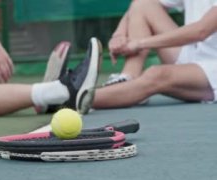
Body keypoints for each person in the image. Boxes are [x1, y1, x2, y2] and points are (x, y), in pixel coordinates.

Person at [87, 0, 217, 109]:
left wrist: (139, 43)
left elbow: (201, 31)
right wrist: (119, 34)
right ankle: (127, 77)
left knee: (156, 75)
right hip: (194, 53)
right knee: (143, 4)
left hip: (213, 68)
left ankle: (76, 99)